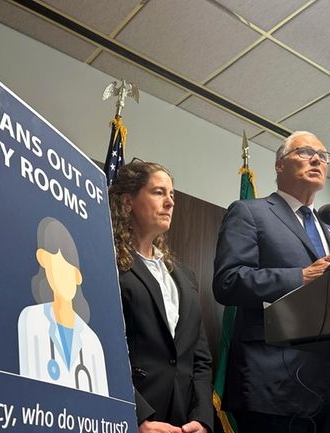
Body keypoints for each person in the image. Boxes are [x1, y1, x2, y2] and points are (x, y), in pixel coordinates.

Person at [213, 131, 330, 433]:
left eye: (323, 156)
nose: (316, 159)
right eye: (305, 152)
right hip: (270, 382)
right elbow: (227, 281)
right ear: (279, 165)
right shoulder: (250, 212)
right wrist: (299, 277)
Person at [109, 161, 213, 433]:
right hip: (130, 417)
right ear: (128, 201)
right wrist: (136, 416)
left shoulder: (185, 276)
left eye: (172, 195)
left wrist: (202, 418)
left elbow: (199, 358)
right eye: (158, 192)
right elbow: (104, 347)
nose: (169, 202)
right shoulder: (107, 261)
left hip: (183, 421)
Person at [17, 217, 109, 396]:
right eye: (58, 266)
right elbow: (28, 391)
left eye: (70, 269)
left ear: (78, 276)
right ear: (43, 261)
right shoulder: (31, 320)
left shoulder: (93, 342)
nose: (64, 276)